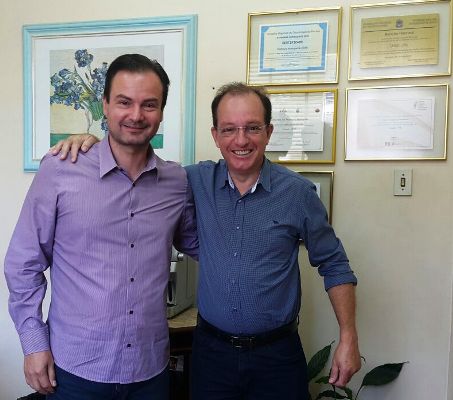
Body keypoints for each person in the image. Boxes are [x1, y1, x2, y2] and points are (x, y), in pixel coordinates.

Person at [51, 82, 361, 400]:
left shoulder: (297, 193)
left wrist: (348, 336)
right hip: (212, 356)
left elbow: (334, 264)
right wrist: (93, 146)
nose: (241, 140)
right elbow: (136, 168)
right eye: (229, 129)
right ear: (215, 135)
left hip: (277, 358)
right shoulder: (190, 181)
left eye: (252, 128)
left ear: (269, 132)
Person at [4, 54, 198, 400]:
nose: (136, 115)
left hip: (150, 371)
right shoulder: (61, 169)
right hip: (75, 371)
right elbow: (23, 264)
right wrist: (34, 344)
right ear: (105, 105)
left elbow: (203, 244)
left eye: (149, 104)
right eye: (124, 102)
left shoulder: (176, 181)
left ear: (161, 111)